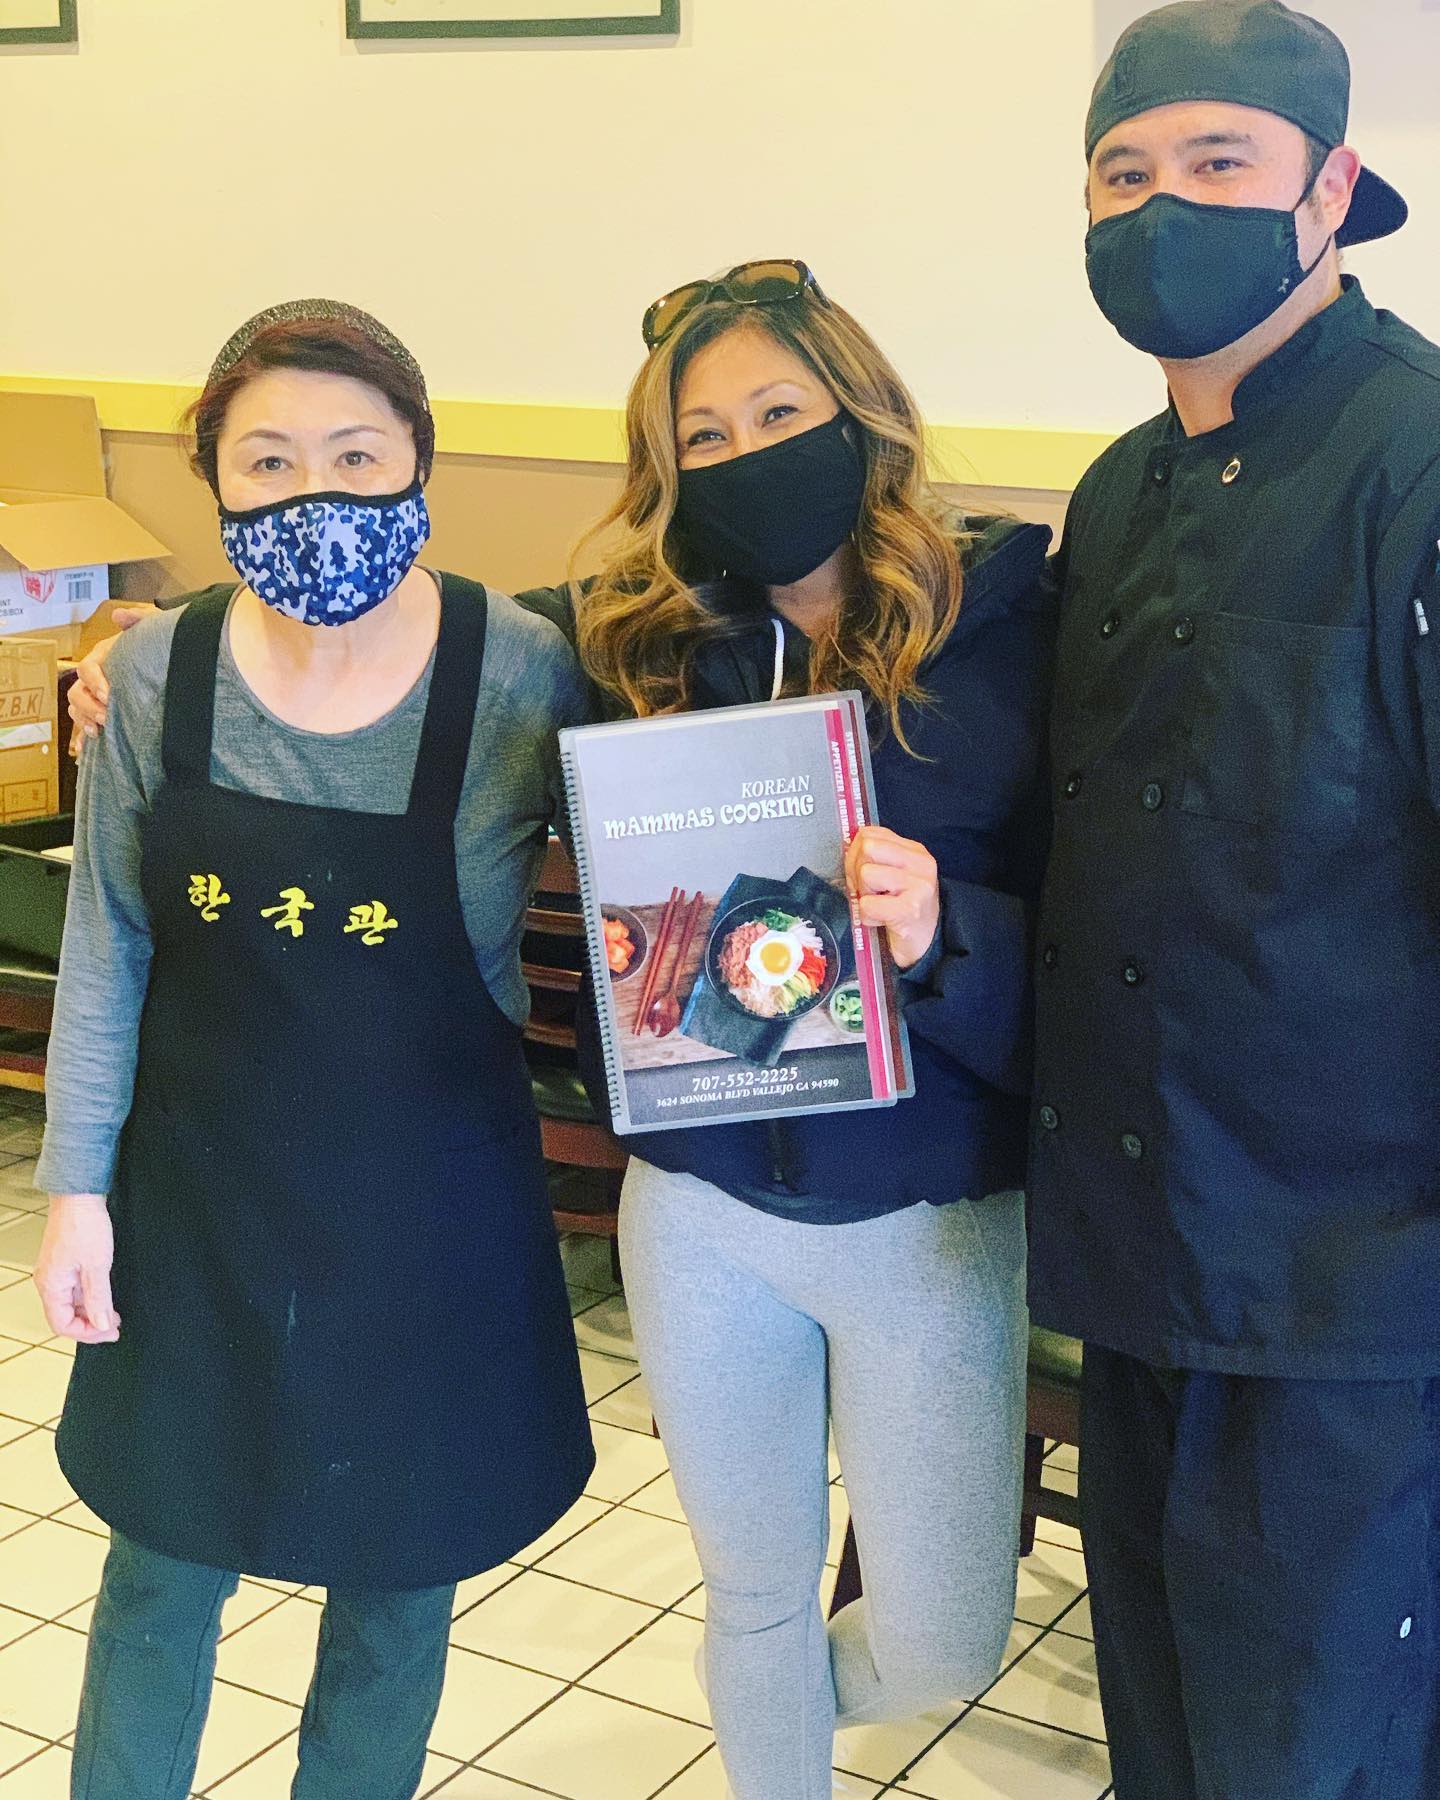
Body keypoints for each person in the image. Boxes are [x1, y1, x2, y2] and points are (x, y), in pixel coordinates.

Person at [71, 264, 1055, 1800]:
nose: (746, 458)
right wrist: (142, 644)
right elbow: (134, 910)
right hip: (639, 1199)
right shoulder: (631, 643)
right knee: (735, 1598)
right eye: (702, 436)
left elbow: (1107, 938)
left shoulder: (999, 635)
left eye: (778, 415)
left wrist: (949, 929)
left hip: (882, 1204)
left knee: (917, 1636)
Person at [34, 298, 594, 1800]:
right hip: (197, 1193)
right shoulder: (156, 674)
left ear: (419, 461)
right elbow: (109, 939)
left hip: (429, 1202)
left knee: (399, 1573)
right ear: (214, 482)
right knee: (161, 1561)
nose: (315, 495)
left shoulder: (520, 671)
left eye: (356, 454)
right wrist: (75, 1188)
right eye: (268, 462)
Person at [1028, 5, 1440, 1797]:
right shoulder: (1119, 491)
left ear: (1329, 191)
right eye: (1124, 174)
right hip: (1142, 1260)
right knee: (1170, 1747)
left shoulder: (1417, 461)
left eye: (1218, 163)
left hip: (1356, 1297)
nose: (1163, 208)